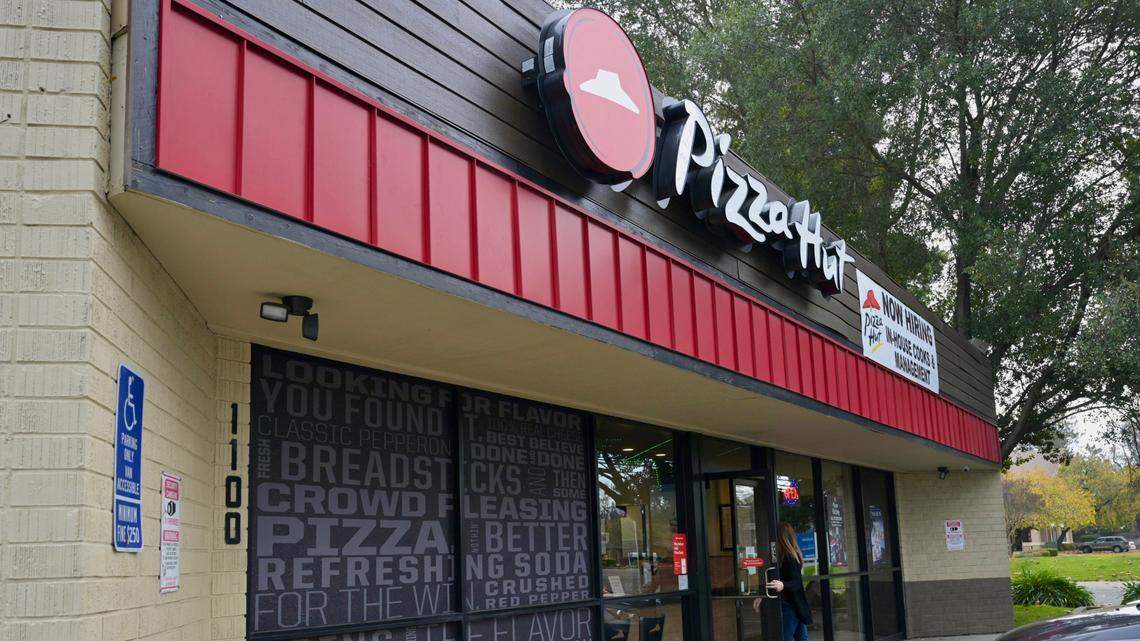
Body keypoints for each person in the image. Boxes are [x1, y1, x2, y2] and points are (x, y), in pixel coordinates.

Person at [766, 522, 813, 641]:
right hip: (796, 606)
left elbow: (797, 582)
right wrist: (761, 596)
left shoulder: (788, 557)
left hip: (790, 606)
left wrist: (783, 585)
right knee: (802, 638)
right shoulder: (787, 556)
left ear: (780, 537)